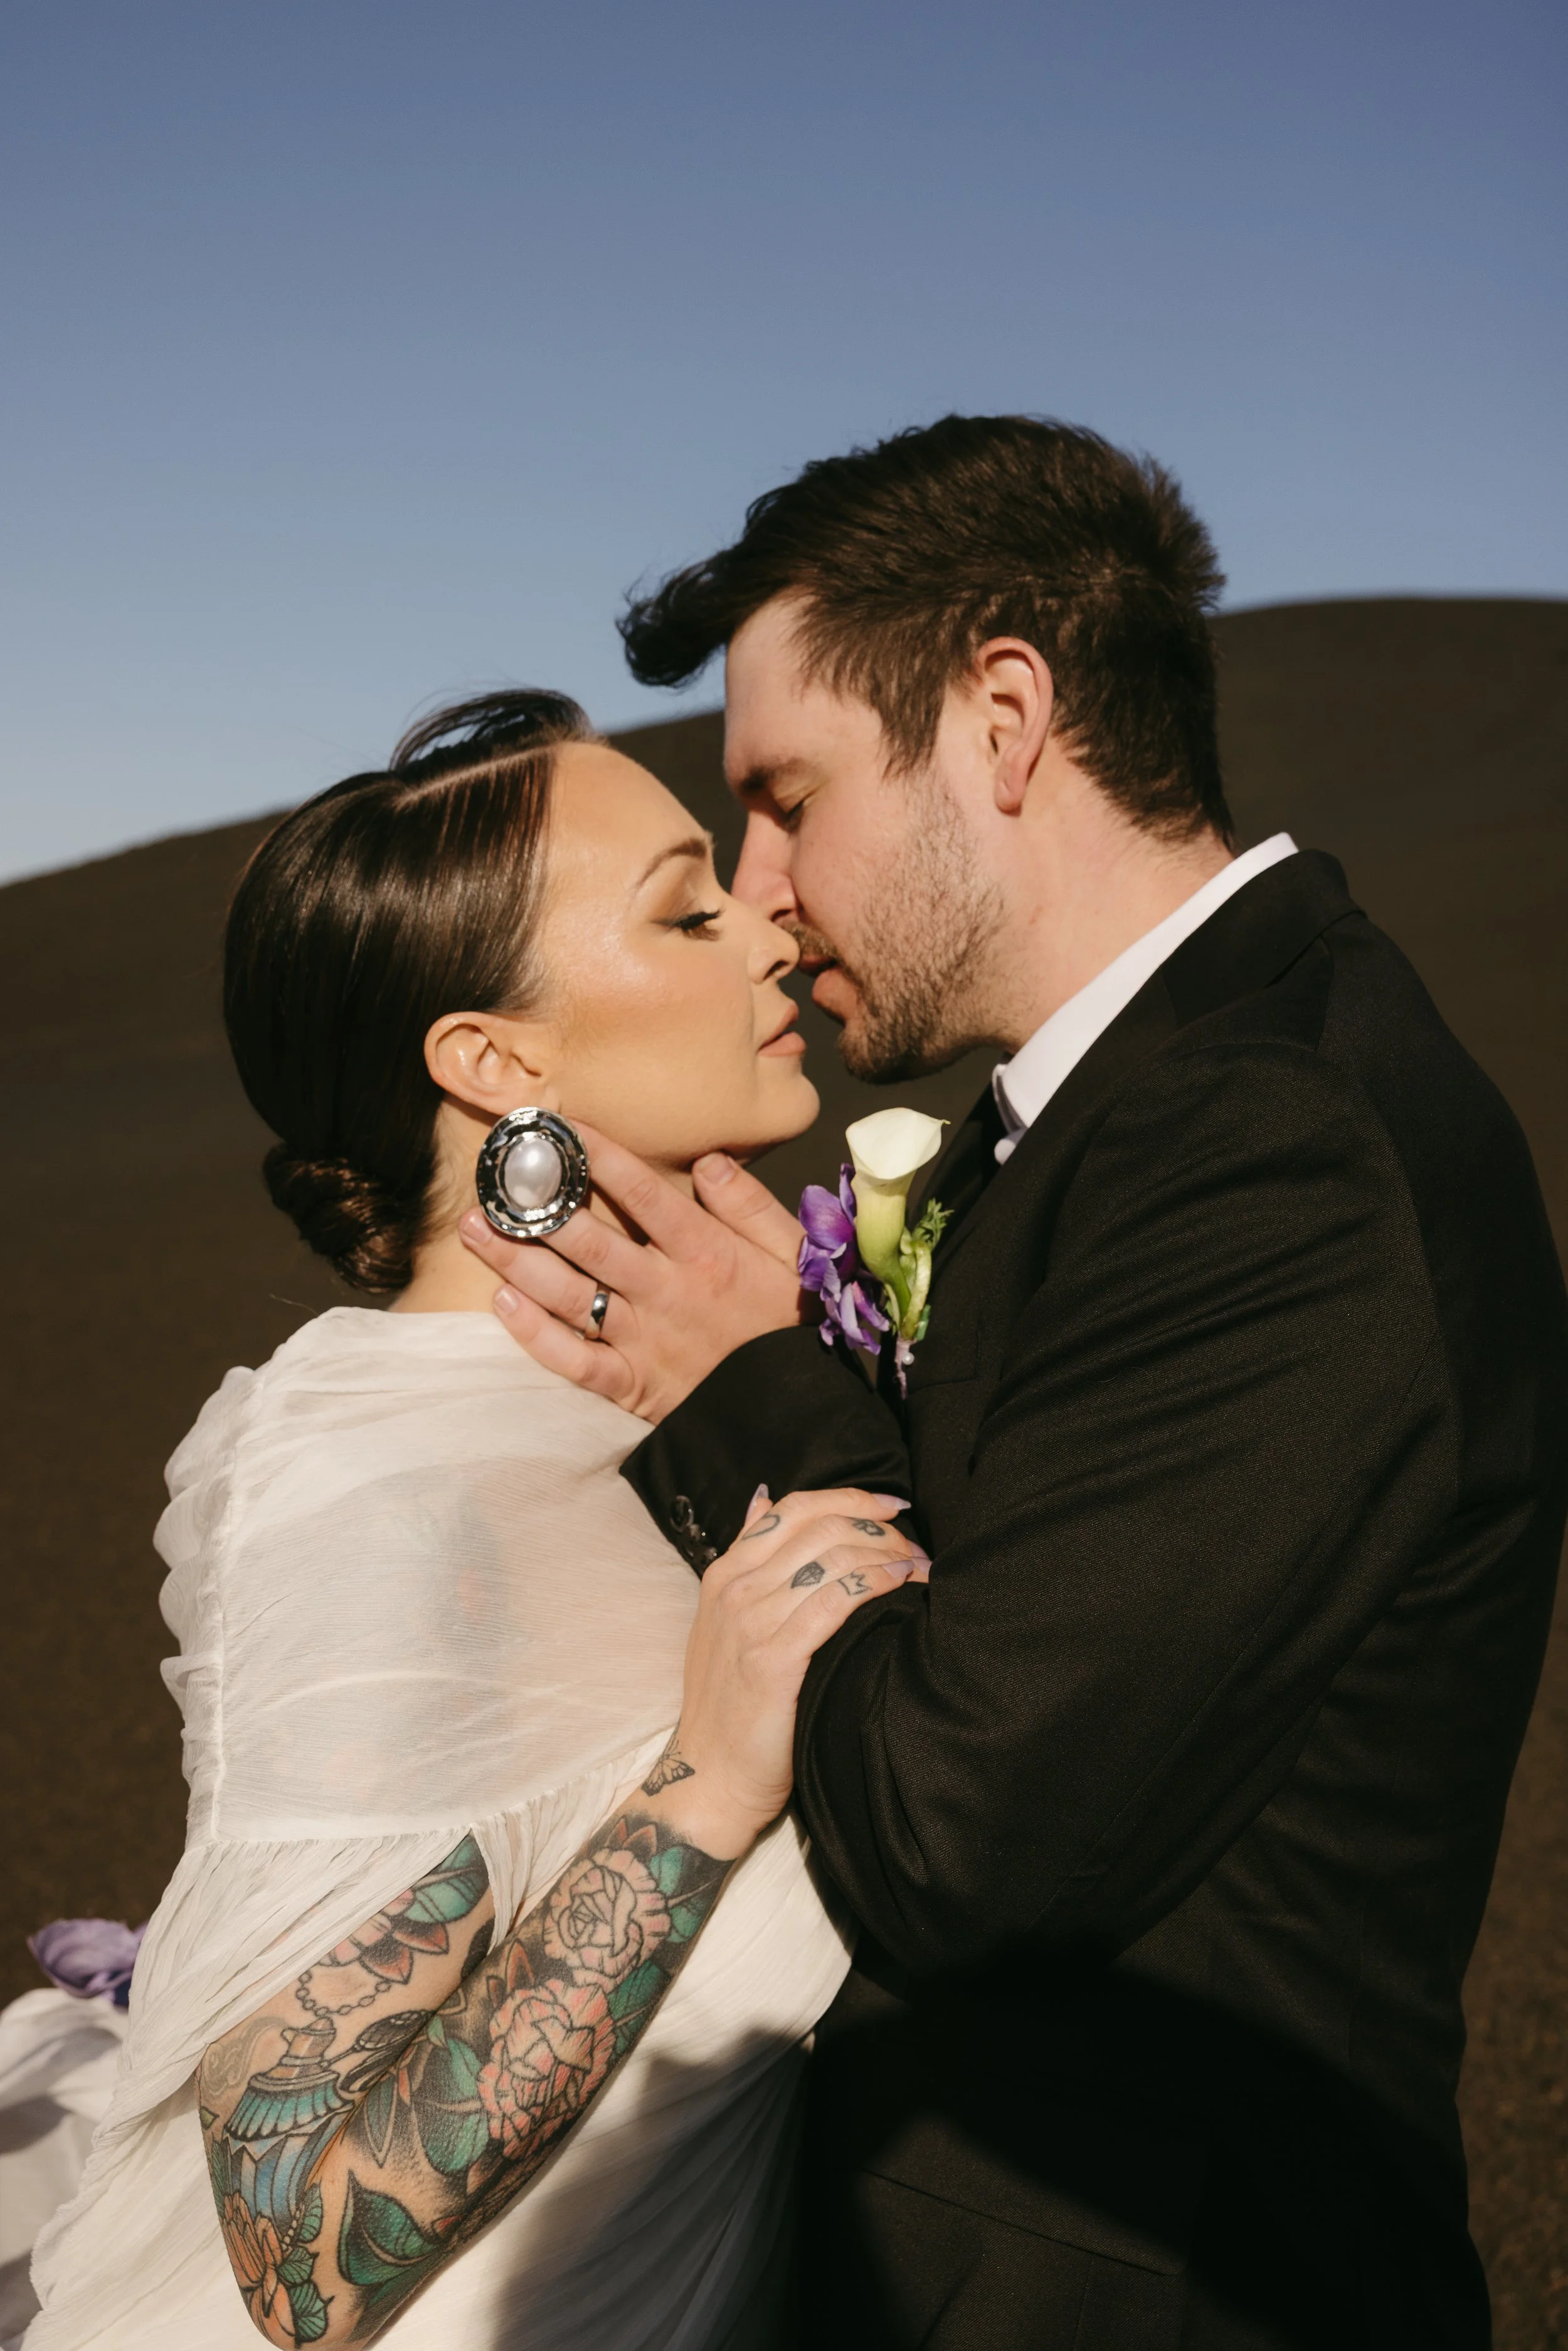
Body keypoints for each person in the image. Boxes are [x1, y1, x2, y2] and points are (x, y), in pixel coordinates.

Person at [461, 417, 1568, 2350]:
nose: (761, 882)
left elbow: (963, 1822)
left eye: (788, 797)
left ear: (1000, 717)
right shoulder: (1134, 1107)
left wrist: (753, 1382)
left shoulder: (1285, 1140)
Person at [16, 690, 923, 2350]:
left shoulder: (663, 1400)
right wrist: (703, 1789)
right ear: (492, 1062)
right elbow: (302, 2248)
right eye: (683, 907)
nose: (770, 928)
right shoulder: (387, 1482)